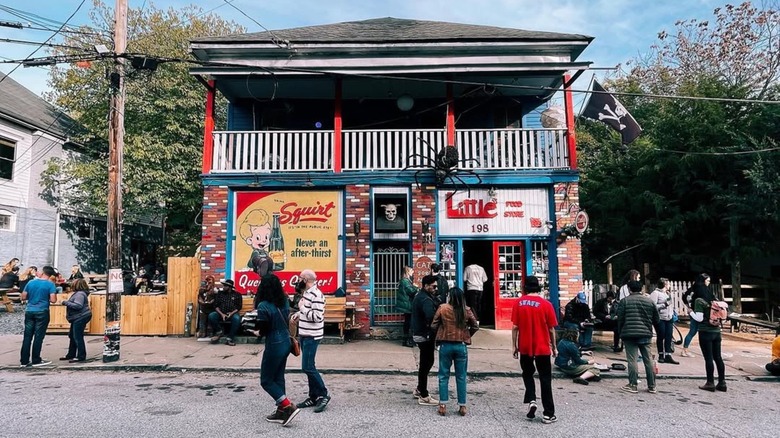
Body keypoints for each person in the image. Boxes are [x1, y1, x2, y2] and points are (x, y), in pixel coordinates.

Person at [511, 275, 558, 424]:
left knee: (527, 374)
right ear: (538, 287)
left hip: (525, 346)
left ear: (525, 287)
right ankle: (548, 414)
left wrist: (514, 346)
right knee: (545, 379)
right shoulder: (546, 305)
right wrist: (554, 347)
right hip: (542, 347)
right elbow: (551, 329)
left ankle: (531, 399)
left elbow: (515, 327)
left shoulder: (518, 303)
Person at [255, 273, 301, 427]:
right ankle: (281, 410)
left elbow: (263, 328)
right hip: (286, 341)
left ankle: (288, 406)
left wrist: (256, 332)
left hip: (274, 343)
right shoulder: (284, 302)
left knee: (266, 380)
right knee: (278, 376)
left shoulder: (263, 306)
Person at [431, 287, 479, 416]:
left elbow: (434, 325)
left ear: (449, 297)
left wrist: (441, 332)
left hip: (446, 345)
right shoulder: (466, 310)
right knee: (461, 376)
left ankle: (443, 404)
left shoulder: (443, 308)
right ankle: (462, 405)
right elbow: (475, 326)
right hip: (460, 345)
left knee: (443, 375)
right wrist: (467, 334)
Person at [293, 269, 331, 413]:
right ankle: (313, 396)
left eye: (299, 278)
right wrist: (298, 314)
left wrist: (301, 308)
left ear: (305, 279)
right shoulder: (307, 294)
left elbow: (317, 317)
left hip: (311, 335)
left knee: (308, 367)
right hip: (304, 334)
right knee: (309, 366)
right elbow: (307, 310)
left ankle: (323, 394)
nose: (297, 280)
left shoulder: (316, 294)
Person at [617, 280, 660, 394]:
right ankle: (652, 385)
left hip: (629, 333)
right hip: (645, 333)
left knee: (632, 360)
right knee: (648, 360)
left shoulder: (624, 301)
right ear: (641, 289)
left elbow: (620, 319)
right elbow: (656, 319)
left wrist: (621, 332)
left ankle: (633, 384)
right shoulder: (649, 301)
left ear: (629, 289)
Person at [689, 281, 727, 392]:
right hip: (717, 332)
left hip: (705, 332)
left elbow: (699, 318)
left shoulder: (699, 301)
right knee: (718, 357)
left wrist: (690, 312)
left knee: (708, 358)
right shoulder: (714, 300)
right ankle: (722, 382)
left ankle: (710, 382)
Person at [411, 274, 441, 406]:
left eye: (436, 286)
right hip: (424, 335)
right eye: (433, 286)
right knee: (426, 362)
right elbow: (431, 318)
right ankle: (423, 394)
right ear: (426, 286)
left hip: (420, 333)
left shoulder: (422, 296)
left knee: (426, 362)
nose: (436, 288)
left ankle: (419, 389)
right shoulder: (426, 300)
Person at [19, 265, 57, 367]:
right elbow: (53, 300)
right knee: (38, 336)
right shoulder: (50, 285)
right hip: (42, 311)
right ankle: (36, 359)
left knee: (27, 336)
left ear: (43, 273)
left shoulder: (31, 282)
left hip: (30, 310)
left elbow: (23, 297)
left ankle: (24, 360)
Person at [59, 278, 92, 363]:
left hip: (80, 317)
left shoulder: (79, 294)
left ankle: (81, 356)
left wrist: (65, 302)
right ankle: (71, 354)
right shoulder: (80, 293)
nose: (71, 285)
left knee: (77, 336)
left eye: (73, 284)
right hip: (79, 316)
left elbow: (78, 306)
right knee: (72, 336)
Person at [649, 278, 679, 365]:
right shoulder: (655, 293)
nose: (669, 285)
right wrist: (664, 305)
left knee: (669, 336)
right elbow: (653, 306)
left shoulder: (667, 293)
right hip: (660, 318)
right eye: (668, 284)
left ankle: (668, 355)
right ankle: (661, 355)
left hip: (669, 318)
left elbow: (670, 304)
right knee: (661, 335)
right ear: (664, 285)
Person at [681, 273, 710, 357]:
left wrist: (688, 307)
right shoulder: (702, 290)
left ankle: (685, 349)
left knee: (693, 331)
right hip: (699, 312)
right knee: (694, 331)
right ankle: (684, 350)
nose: (708, 283)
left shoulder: (692, 288)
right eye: (707, 281)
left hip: (693, 312)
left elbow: (684, 297)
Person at [208, 279, 242, 346]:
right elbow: (216, 306)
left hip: (232, 313)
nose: (223, 287)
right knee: (212, 315)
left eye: (225, 286)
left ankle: (230, 338)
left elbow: (238, 307)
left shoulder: (237, 294)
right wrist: (222, 314)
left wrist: (231, 313)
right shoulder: (220, 294)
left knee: (237, 318)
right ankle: (219, 331)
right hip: (220, 313)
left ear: (229, 287)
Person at [396, 266, 417, 348]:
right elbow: (411, 292)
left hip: (406, 304)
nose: (413, 272)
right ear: (408, 271)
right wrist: (416, 287)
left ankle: (406, 340)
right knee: (409, 323)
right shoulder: (405, 281)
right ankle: (408, 340)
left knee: (407, 322)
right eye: (412, 270)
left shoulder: (405, 281)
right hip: (407, 304)